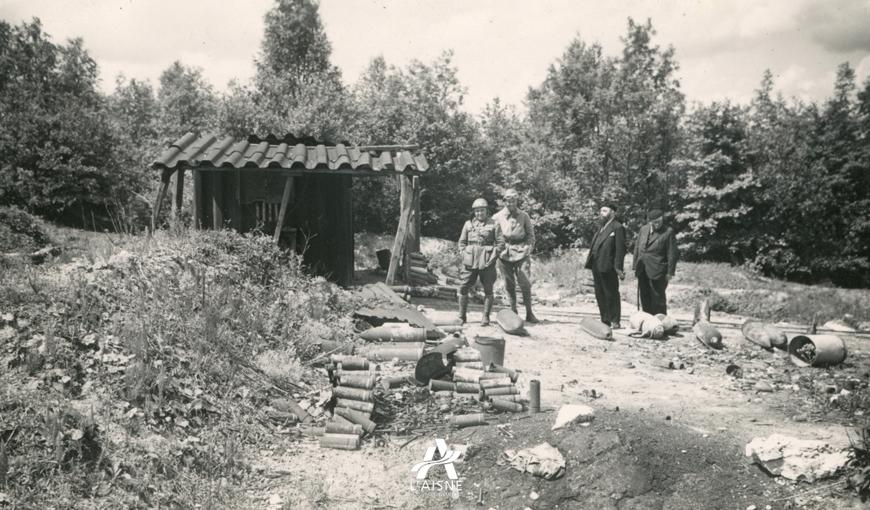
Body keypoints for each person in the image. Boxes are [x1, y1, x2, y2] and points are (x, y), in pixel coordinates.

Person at [492, 189, 539, 323]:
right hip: (504, 253)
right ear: (504, 201)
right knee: (509, 283)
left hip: (521, 252)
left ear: (517, 201)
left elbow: (531, 235)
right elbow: (492, 235)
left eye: (513, 200)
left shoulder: (524, 216)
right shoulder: (497, 217)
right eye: (508, 200)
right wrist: (496, 250)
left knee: (525, 282)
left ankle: (529, 313)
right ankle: (513, 311)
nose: (510, 203)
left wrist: (528, 248)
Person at [457, 198, 504, 325]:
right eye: (477, 211)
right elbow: (461, 243)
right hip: (470, 260)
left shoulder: (494, 224)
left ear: (486, 211)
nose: (479, 214)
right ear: (474, 212)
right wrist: (464, 254)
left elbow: (500, 244)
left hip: (487, 261)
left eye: (482, 211)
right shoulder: (468, 224)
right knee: (463, 287)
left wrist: (493, 257)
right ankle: (462, 316)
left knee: (488, 289)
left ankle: (486, 317)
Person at [584, 204, 626, 328]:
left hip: (609, 266)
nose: (601, 213)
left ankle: (615, 320)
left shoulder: (617, 227)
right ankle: (605, 319)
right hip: (596, 265)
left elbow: (620, 249)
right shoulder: (601, 227)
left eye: (604, 210)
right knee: (599, 293)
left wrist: (618, 268)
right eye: (601, 210)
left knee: (611, 293)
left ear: (612, 212)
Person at [633, 209, 679, 315]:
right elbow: (637, 247)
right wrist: (635, 265)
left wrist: (670, 272)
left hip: (658, 270)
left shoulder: (668, 231)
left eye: (659, 221)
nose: (657, 224)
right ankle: (648, 320)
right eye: (655, 222)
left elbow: (672, 253)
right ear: (649, 221)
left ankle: (661, 321)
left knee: (658, 297)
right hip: (642, 268)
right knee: (644, 295)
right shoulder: (643, 229)